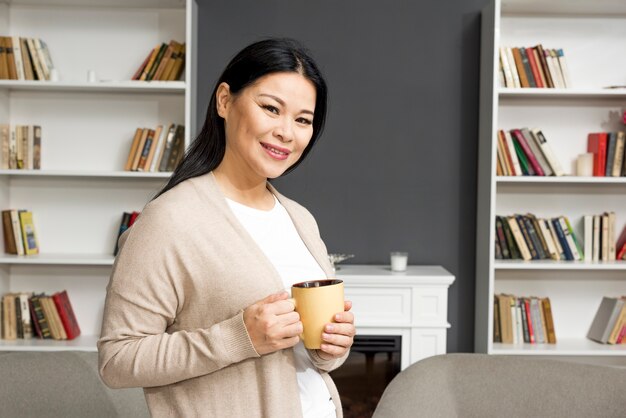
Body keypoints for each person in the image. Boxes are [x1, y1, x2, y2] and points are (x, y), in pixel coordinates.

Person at [98, 38, 356, 418]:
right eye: (271, 108)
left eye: (303, 119)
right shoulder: (170, 220)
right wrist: (239, 337)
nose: (287, 132)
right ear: (224, 101)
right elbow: (116, 359)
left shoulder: (300, 218)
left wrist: (330, 347)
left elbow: (305, 358)